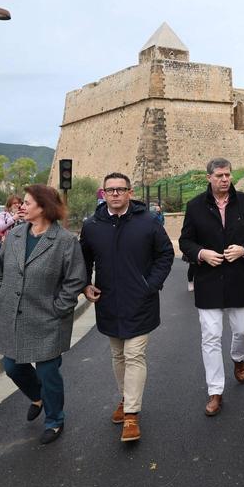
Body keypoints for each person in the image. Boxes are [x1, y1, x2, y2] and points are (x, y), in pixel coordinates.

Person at [0, 185, 85, 444]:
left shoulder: (64, 241)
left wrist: (59, 308)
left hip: (46, 318)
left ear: (43, 207)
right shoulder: (16, 235)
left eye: (28, 202)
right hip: (13, 315)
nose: (22, 206)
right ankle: (38, 397)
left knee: (48, 372)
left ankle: (54, 420)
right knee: (11, 366)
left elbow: (75, 279)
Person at [81, 173, 174, 443]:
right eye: (110, 190)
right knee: (118, 354)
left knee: (134, 355)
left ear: (130, 192)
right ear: (103, 193)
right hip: (108, 301)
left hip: (141, 300)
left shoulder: (149, 222)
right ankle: (126, 397)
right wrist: (86, 284)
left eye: (121, 189)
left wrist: (151, 284)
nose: (116, 194)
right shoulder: (92, 226)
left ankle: (131, 413)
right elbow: (83, 258)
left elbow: (165, 254)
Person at [178, 158, 244, 416]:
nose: (224, 179)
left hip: (239, 279)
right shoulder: (195, 207)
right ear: (209, 178)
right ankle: (215, 391)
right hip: (208, 282)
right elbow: (185, 241)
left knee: (243, 330)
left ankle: (238, 358)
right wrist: (202, 254)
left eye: (227, 175)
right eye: (219, 175)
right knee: (211, 338)